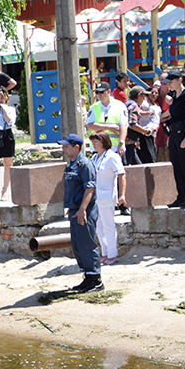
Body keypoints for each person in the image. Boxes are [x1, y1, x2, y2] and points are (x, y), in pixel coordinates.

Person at [61, 133, 102, 293]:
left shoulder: (84, 164)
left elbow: (89, 188)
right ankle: (87, 276)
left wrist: (82, 209)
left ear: (76, 147)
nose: (64, 149)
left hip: (84, 210)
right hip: (74, 209)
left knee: (87, 242)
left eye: (67, 146)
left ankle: (95, 278)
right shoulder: (72, 164)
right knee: (77, 244)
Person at [160, 69, 185, 208]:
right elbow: (171, 111)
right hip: (175, 133)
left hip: (184, 133)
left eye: (171, 82)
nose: (168, 85)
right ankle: (182, 196)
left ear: (179, 80)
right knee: (177, 167)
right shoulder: (175, 95)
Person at [89, 132, 125, 266]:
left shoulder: (112, 157)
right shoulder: (94, 157)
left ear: (104, 142)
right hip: (95, 197)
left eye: (96, 142)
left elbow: (122, 175)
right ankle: (104, 252)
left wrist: (122, 195)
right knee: (98, 227)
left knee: (109, 226)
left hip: (107, 196)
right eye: (93, 142)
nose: (94, 145)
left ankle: (112, 253)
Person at [86, 82, 128, 147]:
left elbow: (124, 126)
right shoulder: (93, 107)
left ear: (109, 91)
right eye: (97, 92)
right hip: (97, 148)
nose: (99, 95)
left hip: (115, 146)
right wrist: (109, 127)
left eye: (101, 92)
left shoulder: (120, 106)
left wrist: (121, 143)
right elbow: (90, 126)